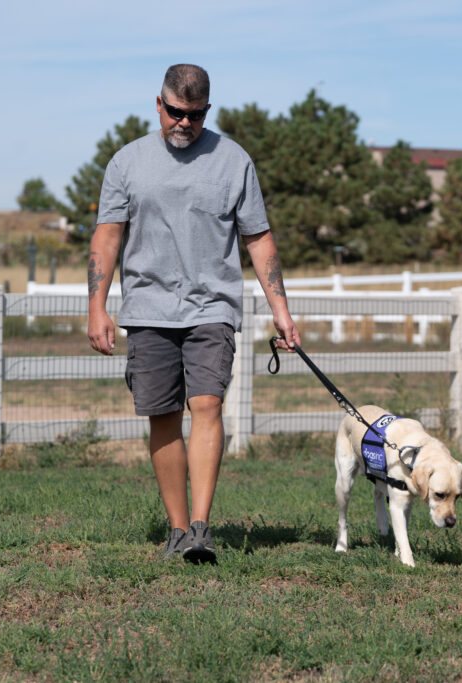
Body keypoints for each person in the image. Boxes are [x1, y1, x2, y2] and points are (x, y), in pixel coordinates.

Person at [87, 64, 300, 564]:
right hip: (148, 309)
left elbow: (258, 238)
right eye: (176, 113)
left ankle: (202, 529)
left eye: (196, 115)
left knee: (206, 407)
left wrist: (281, 310)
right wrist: (97, 306)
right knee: (162, 416)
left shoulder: (233, 161)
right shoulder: (127, 163)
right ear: (158, 105)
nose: (185, 124)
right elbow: (108, 235)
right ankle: (177, 530)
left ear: (208, 110)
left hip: (211, 306)